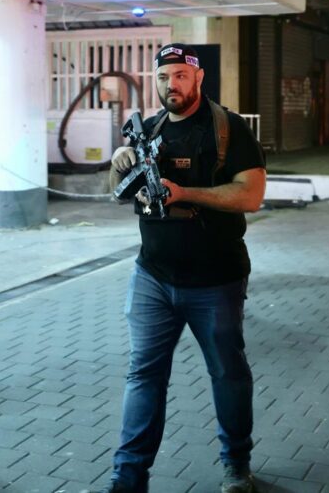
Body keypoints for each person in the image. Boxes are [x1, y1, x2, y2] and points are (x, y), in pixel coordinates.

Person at [99, 44, 267, 493]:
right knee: (143, 375)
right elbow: (119, 193)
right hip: (152, 276)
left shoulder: (228, 128)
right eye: (162, 77)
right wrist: (119, 164)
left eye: (179, 75)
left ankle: (237, 465)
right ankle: (127, 478)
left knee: (227, 374)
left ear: (197, 78)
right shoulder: (150, 129)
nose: (170, 85)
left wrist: (185, 193)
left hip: (215, 279)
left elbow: (251, 195)